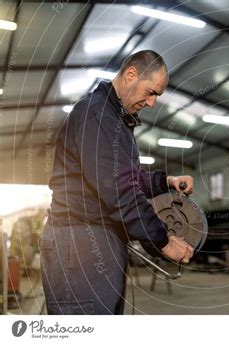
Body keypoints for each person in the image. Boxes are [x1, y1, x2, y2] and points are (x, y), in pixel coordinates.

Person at [40, 50, 194, 315]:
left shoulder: (115, 120)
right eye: (151, 92)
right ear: (130, 74)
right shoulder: (98, 116)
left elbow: (125, 178)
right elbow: (121, 193)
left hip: (96, 240)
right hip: (80, 245)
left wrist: (166, 181)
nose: (152, 103)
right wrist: (163, 241)